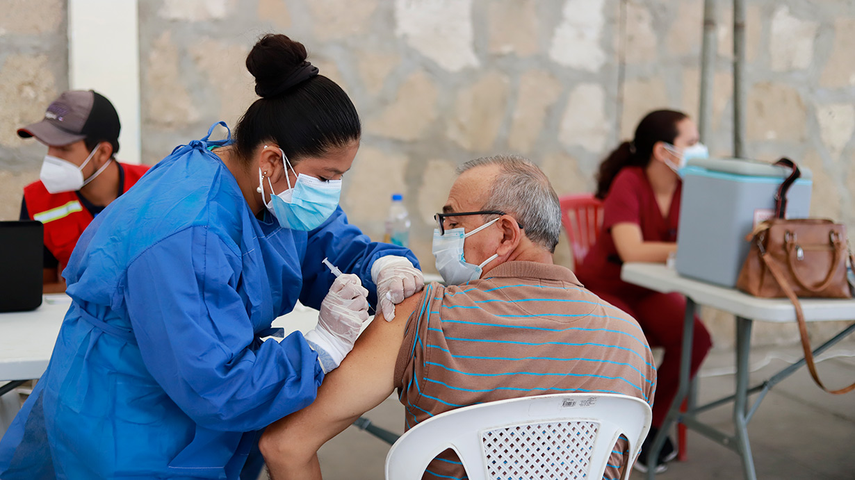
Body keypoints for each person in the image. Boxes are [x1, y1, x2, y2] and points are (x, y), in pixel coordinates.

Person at [0, 34, 423, 479]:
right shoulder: (189, 232)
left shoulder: (266, 189)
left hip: (189, 399)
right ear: (273, 159)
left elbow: (323, 239)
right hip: (129, 418)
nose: (331, 191)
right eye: (327, 176)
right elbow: (218, 387)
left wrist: (381, 263)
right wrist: (320, 349)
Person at [259, 155, 656, 480]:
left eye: (452, 223)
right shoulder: (630, 340)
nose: (442, 237)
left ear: (505, 234)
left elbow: (285, 446)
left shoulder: (423, 317)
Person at [574, 109, 714, 473]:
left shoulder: (690, 189)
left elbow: (708, 237)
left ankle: (651, 425)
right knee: (630, 341)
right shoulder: (629, 182)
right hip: (606, 285)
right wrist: (689, 249)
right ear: (662, 151)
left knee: (695, 338)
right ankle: (617, 431)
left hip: (652, 287)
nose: (700, 149)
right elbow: (631, 250)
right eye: (692, 142)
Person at [18, 90, 150, 293]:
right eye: (49, 146)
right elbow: (36, 289)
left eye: (64, 148)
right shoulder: (36, 200)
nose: (51, 157)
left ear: (102, 152)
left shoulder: (153, 187)